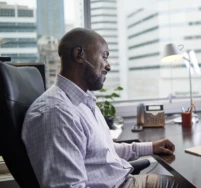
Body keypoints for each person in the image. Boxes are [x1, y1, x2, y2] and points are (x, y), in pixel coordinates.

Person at [22, 28, 184, 188]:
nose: (108, 66)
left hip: (123, 180)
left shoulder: (81, 102)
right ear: (79, 55)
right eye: (104, 56)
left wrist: (151, 147)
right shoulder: (56, 113)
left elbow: (103, 150)